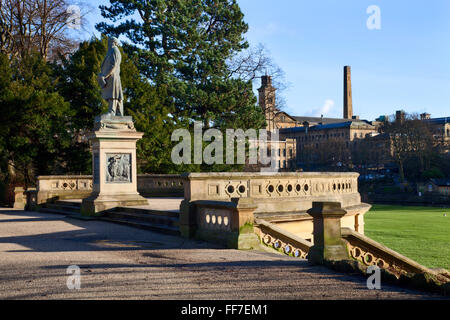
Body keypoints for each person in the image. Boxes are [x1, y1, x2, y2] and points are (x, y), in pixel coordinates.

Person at [98, 37, 124, 117]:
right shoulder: (110, 52)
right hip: (109, 77)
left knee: (114, 95)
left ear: (114, 42)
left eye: (110, 42)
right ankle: (117, 112)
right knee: (112, 95)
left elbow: (114, 66)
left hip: (113, 76)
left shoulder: (115, 51)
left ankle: (112, 111)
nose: (108, 44)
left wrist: (105, 76)